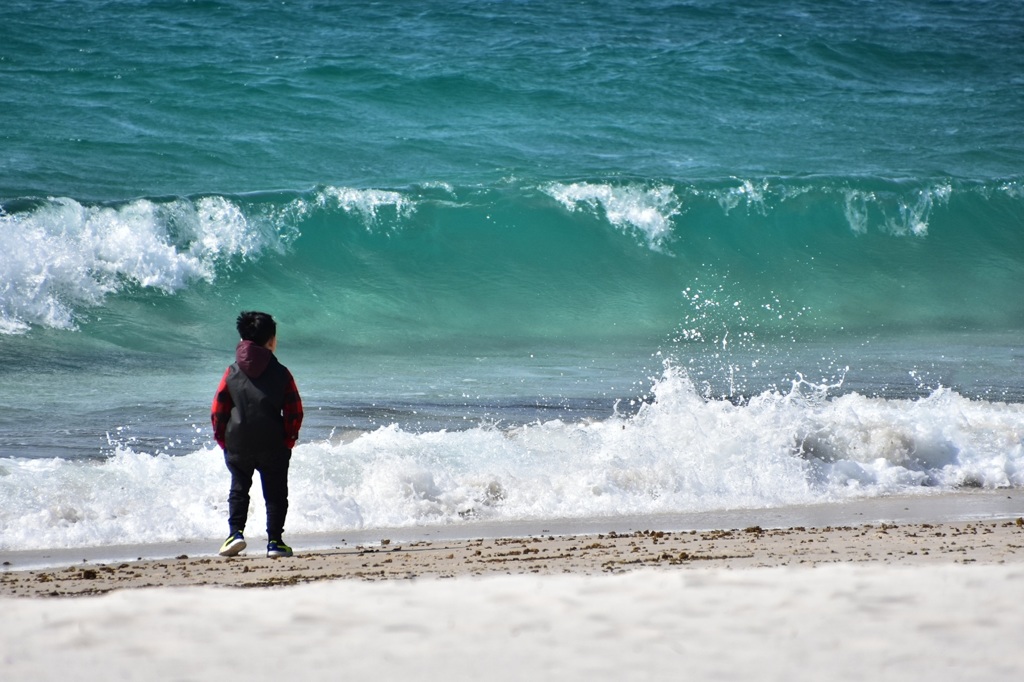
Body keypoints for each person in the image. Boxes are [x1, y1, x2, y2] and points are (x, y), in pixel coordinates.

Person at [211, 311, 303, 558]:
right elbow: (294, 410)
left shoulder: (230, 372)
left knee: (239, 489)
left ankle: (235, 535)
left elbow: (218, 410)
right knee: (275, 493)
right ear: (271, 340)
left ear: (242, 338)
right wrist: (289, 439)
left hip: (238, 442)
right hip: (273, 443)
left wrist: (224, 441)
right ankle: (275, 542)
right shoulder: (282, 372)